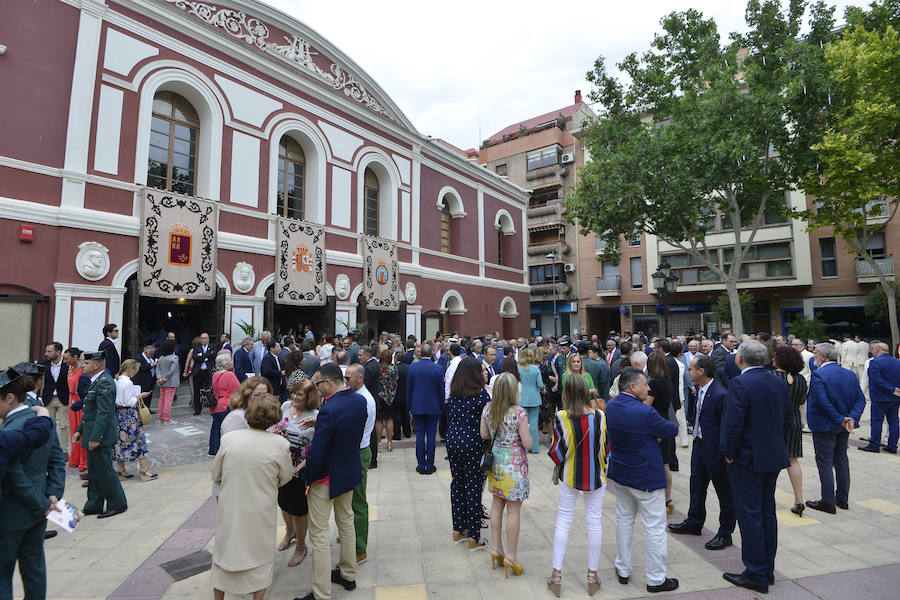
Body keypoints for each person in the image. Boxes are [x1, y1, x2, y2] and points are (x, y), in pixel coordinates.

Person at [720, 339, 793, 594]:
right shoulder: (778, 381)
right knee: (765, 513)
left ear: (740, 359)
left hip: (747, 459)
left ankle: (756, 573)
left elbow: (733, 424)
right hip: (771, 455)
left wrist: (729, 453)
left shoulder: (740, 383)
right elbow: (788, 420)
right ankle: (766, 568)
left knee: (750, 515)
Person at [296, 364, 367, 600]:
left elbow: (317, 452)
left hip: (326, 477)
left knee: (318, 533)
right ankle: (348, 573)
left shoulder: (329, 409)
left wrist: (307, 475)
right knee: (346, 521)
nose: (316, 389)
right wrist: (321, 424)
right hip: (348, 471)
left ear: (327, 383)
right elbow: (345, 429)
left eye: (317, 384)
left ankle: (321, 593)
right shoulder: (358, 401)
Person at [605, 367, 679, 593]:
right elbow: (671, 429)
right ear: (632, 387)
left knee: (624, 521)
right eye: (645, 384)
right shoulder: (644, 412)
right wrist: (653, 433)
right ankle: (656, 579)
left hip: (621, 473)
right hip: (645, 476)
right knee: (654, 528)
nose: (649, 388)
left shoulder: (612, 406)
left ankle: (623, 568)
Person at [212, 394, 292, 600]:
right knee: (260, 556)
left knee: (225, 552)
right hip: (260, 508)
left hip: (231, 506)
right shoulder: (280, 444)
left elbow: (216, 474)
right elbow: (285, 478)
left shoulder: (230, 439)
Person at [0, 369, 67, 600]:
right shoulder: (42, 419)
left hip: (10, 514)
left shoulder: (9, 430)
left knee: (2, 574)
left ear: (10, 398)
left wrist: (43, 503)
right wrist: (52, 495)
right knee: (34, 570)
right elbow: (57, 460)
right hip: (38, 511)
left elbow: (15, 478)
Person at [547, 374, 608, 597]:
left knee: (563, 520)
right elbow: (606, 447)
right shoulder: (600, 416)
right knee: (594, 523)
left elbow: (556, 453)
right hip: (595, 475)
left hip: (570, 474)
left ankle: (556, 576)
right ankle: (592, 577)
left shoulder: (561, 417)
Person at [668, 355, 735, 550]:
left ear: (701, 372)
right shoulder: (700, 390)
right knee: (696, 485)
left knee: (724, 492)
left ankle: (725, 532)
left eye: (691, 370)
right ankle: (694, 521)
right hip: (699, 445)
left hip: (715, 449)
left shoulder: (720, 394)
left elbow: (726, 426)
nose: (688, 373)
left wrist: (725, 452)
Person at [480, 372, 532, 578]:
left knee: (496, 505)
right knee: (513, 512)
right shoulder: (519, 413)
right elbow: (528, 443)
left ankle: (496, 549)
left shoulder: (487, 409)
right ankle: (510, 555)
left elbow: (484, 435)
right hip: (515, 467)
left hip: (496, 466)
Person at [805, 342, 865, 515]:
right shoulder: (849, 374)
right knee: (841, 459)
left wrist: (843, 419)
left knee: (824, 461)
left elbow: (823, 402)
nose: (813, 356)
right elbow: (860, 400)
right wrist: (850, 418)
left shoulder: (819, 375)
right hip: (842, 425)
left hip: (825, 425)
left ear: (823, 357)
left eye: (815, 353)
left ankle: (828, 501)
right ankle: (842, 498)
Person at [74, 350, 128, 518]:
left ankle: (117, 503)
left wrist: (95, 437)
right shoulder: (96, 380)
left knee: (104, 471)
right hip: (91, 432)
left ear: (97, 365)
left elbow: (104, 413)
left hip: (100, 436)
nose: (83, 365)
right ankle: (94, 504)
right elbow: (90, 410)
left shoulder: (105, 382)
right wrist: (79, 431)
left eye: (87, 363)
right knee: (94, 471)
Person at [447, 357, 491, 551]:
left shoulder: (454, 394)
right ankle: (474, 535)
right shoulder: (482, 396)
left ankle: (459, 528)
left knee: (457, 483)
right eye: (481, 370)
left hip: (453, 441)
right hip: (473, 443)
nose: (485, 373)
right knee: (473, 488)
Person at [276, 378, 320, 568]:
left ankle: (301, 545)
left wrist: (304, 464)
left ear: (309, 397)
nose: (294, 396)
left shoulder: (316, 415)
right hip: (282, 465)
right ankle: (289, 531)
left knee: (299, 508)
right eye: (293, 392)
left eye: (299, 394)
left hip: (300, 469)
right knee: (283, 502)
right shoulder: (285, 406)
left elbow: (318, 445)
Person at [344, 363, 376, 563]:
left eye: (348, 378)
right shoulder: (353, 396)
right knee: (348, 499)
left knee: (358, 500)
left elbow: (354, 431)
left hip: (359, 452)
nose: (345, 381)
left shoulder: (365, 400)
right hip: (352, 451)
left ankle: (359, 548)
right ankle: (349, 534)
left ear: (360, 378)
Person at [773, 345, 808, 515]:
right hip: (794, 421)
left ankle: (766, 498)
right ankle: (799, 500)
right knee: (793, 460)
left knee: (771, 461)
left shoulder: (771, 377)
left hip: (774, 422)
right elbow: (801, 402)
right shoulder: (801, 379)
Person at [113, 360, 158, 481]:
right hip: (130, 414)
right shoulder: (127, 383)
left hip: (119, 414)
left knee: (120, 441)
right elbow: (128, 401)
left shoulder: (115, 380)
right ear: (130, 369)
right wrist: (139, 396)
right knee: (139, 440)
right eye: (135, 370)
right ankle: (144, 470)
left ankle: (121, 469)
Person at [407, 344, 444, 474]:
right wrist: (441, 406)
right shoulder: (438, 369)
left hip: (417, 406)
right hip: (433, 407)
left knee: (420, 436)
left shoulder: (412, 368)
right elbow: (441, 391)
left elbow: (409, 389)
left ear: (420, 354)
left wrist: (409, 406)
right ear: (432, 353)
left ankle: (421, 465)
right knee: (431, 436)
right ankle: (430, 465)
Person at [861, 341, 900, 454]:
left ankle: (874, 444)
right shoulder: (897, 362)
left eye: (873, 350)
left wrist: (891, 389)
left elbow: (877, 380)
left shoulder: (875, 362)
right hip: (895, 397)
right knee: (894, 422)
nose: (871, 351)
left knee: (877, 421)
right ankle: (892, 446)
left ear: (877, 350)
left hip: (880, 397)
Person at [39, 341, 69, 458]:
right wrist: (39, 396)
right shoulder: (43, 364)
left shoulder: (67, 364)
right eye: (46, 351)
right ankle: (48, 449)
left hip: (64, 398)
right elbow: (38, 380)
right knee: (47, 424)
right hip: (48, 398)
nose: (46, 354)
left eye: (49, 351)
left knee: (64, 425)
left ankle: (64, 451)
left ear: (58, 352)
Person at [63, 347, 88, 472]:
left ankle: (84, 461)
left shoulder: (82, 370)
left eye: (66, 358)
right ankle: (75, 458)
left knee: (81, 430)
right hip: (71, 400)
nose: (64, 361)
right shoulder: (70, 368)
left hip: (79, 401)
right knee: (73, 430)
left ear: (75, 358)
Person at [210, 354, 239, 456]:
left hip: (216, 405)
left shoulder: (215, 374)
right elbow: (238, 390)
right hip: (226, 405)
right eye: (230, 360)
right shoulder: (229, 375)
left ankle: (214, 449)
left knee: (216, 427)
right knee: (227, 429)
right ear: (226, 363)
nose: (232, 362)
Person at [517, 348, 544, 454]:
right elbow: (540, 384)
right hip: (535, 398)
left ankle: (525, 448)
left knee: (523, 424)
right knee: (533, 423)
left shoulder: (518, 368)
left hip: (521, 398)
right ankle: (534, 447)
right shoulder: (536, 368)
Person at [188, 333, 217, 415]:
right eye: (202, 338)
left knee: (210, 390)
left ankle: (212, 408)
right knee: (197, 391)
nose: (204, 340)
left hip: (208, 372)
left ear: (208, 339)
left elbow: (214, 355)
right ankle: (197, 409)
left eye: (205, 338)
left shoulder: (212, 347)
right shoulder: (196, 347)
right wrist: (206, 356)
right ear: (200, 339)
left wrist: (202, 355)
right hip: (198, 372)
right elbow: (195, 357)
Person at [375, 348, 398, 451]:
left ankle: (379, 443)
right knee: (389, 419)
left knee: (379, 420)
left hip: (380, 396)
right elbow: (397, 380)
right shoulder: (394, 368)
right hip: (390, 397)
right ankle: (389, 443)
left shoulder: (378, 368)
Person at [155, 339, 180, 423]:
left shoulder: (161, 357)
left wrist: (160, 378)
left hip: (162, 382)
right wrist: (164, 379)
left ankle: (161, 417)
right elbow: (171, 371)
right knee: (168, 401)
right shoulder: (175, 357)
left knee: (162, 400)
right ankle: (167, 419)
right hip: (171, 382)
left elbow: (157, 369)